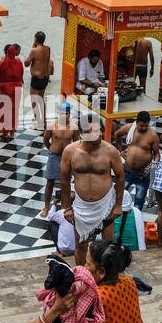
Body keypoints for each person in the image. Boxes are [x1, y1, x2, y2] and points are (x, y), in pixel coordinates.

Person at [59, 111, 124, 263]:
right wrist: (67, 207)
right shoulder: (70, 151)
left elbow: (120, 177)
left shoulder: (110, 151)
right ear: (83, 133)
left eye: (99, 130)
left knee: (108, 246)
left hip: (106, 204)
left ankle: (108, 277)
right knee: (81, 245)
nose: (99, 134)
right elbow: (64, 180)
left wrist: (118, 205)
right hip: (81, 206)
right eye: (93, 131)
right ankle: (82, 277)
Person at [115, 111, 161, 211]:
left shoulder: (153, 135)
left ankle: (136, 221)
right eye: (141, 126)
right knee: (119, 196)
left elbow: (157, 154)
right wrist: (121, 149)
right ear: (136, 122)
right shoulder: (129, 128)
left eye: (146, 126)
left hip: (143, 173)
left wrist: (154, 165)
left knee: (139, 200)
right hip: (127, 170)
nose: (144, 128)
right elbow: (117, 135)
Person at [0, 43, 23, 138]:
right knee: (14, 109)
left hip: (5, 89)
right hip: (17, 88)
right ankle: (12, 131)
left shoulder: (3, 62)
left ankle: (4, 131)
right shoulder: (19, 62)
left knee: (5, 109)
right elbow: (21, 76)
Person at [24, 31, 53, 130]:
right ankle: (44, 122)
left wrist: (33, 47)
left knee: (34, 102)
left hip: (36, 79)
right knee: (41, 100)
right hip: (45, 78)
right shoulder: (48, 49)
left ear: (36, 39)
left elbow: (27, 63)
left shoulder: (34, 51)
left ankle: (38, 123)